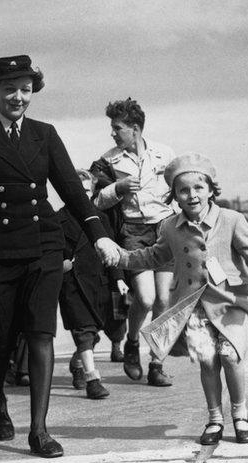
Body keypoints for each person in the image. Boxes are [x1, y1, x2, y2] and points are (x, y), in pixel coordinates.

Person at [0, 54, 118, 458]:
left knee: (42, 334)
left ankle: (39, 430)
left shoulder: (45, 134)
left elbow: (73, 190)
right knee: (0, 339)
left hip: (43, 245)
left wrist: (99, 236)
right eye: (9, 89)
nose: (17, 97)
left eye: (25, 89)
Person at [107, 153, 248, 445]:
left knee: (229, 354)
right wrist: (122, 256)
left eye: (199, 188)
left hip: (229, 303)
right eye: (183, 190)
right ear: (174, 195)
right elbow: (153, 255)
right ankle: (214, 418)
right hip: (194, 307)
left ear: (212, 189)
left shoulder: (232, 220)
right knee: (208, 361)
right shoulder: (170, 228)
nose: (192, 195)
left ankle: (240, 414)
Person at [91, 98, 175, 387]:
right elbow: (96, 201)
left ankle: (156, 362)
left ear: (135, 128)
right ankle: (132, 340)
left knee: (165, 299)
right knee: (147, 298)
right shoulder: (107, 161)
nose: (113, 133)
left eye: (117, 128)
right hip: (134, 233)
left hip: (165, 229)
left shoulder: (166, 154)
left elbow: (180, 188)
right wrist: (118, 187)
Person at [57, 170, 128, 399]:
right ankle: (93, 380)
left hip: (99, 281)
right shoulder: (57, 219)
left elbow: (112, 251)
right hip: (73, 284)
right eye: (78, 190)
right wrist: (64, 265)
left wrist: (118, 278)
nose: (83, 195)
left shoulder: (101, 218)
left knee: (94, 331)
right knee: (84, 331)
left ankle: (78, 363)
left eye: (87, 190)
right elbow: (50, 253)